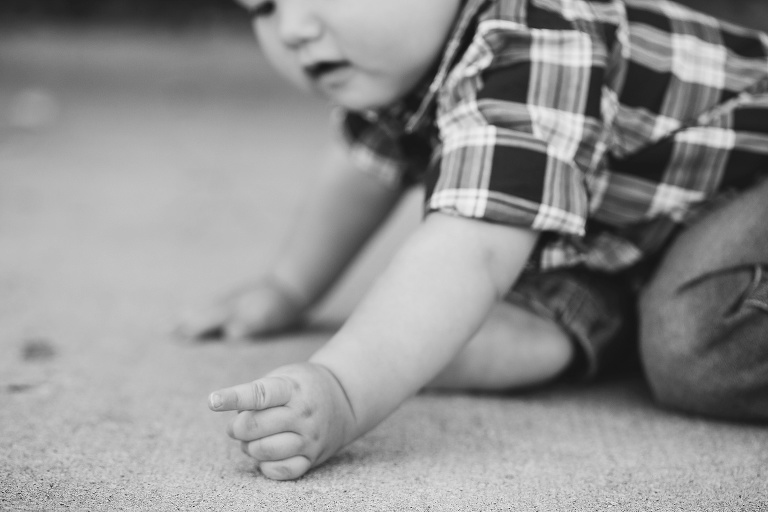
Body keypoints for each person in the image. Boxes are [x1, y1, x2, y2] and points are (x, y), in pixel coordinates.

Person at [176, 0, 768, 480]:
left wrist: (343, 391)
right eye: (263, 7)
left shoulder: (534, 38)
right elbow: (360, 169)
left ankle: (629, 318)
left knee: (693, 341)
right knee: (453, 328)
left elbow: (477, 250)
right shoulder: (401, 71)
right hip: (657, 223)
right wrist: (287, 287)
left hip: (754, 185)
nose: (293, 28)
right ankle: (602, 312)